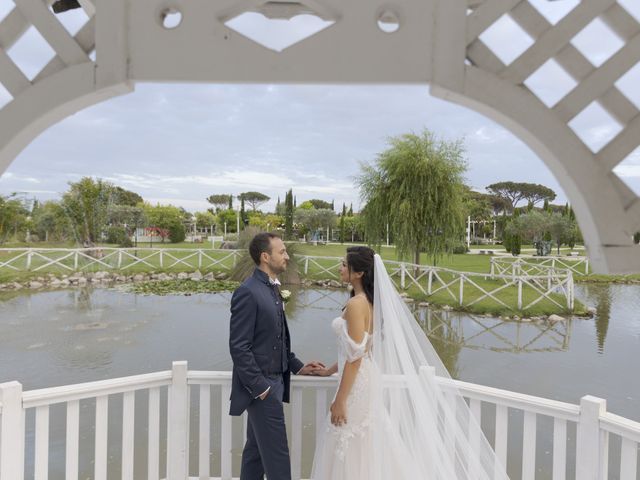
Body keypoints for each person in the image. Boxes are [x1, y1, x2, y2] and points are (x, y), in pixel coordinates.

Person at [311, 246, 510, 479]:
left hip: (356, 384)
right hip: (361, 376)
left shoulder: (357, 305)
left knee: (349, 437)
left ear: (359, 273)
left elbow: (355, 358)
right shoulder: (366, 302)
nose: (340, 268)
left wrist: (340, 401)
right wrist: (328, 372)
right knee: (361, 441)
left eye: (344, 264)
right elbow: (360, 349)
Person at [229, 232, 324, 480]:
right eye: (281, 251)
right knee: (278, 458)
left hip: (275, 382)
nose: (287, 255)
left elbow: (276, 338)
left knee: (255, 454)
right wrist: (261, 388)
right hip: (262, 387)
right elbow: (239, 347)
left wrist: (298, 367)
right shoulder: (247, 292)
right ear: (265, 257)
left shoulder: (272, 289)